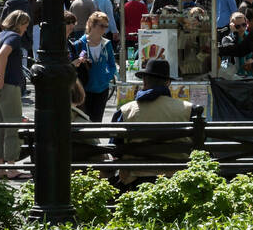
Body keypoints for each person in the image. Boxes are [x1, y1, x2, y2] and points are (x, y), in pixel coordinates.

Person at [110, 58, 194, 186]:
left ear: (144, 81)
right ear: (168, 83)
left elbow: (115, 149)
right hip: (177, 177)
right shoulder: (188, 109)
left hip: (136, 179)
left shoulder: (126, 111)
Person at [0, 9, 31, 178]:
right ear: (19, 24)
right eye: (25, 25)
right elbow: (4, 54)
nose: (26, 29)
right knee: (13, 127)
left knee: (0, 128)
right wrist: (2, 79)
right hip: (9, 86)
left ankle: (0, 168)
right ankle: (12, 168)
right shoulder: (14, 37)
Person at [76, 12, 118, 122]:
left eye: (106, 26)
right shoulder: (79, 44)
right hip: (84, 89)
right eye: (101, 25)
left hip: (102, 89)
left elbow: (112, 65)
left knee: (97, 122)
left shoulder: (106, 44)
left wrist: (105, 78)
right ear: (91, 24)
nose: (104, 29)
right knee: (84, 122)